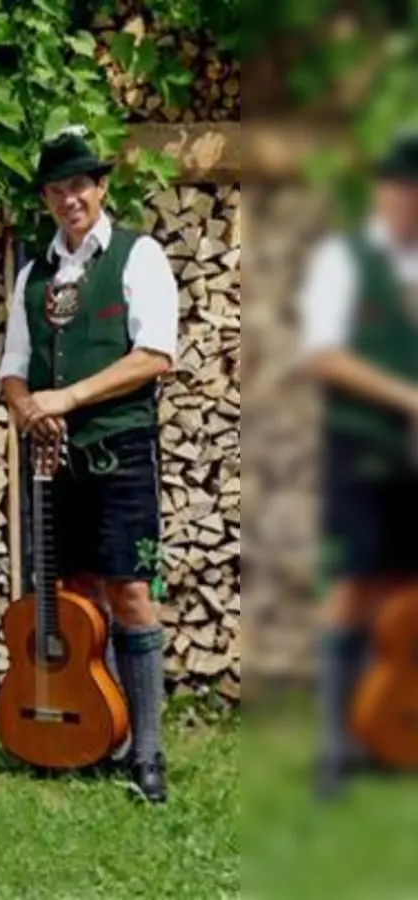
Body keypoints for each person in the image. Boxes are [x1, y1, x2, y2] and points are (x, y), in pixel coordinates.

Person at [0, 124, 181, 804]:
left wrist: (67, 398)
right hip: (52, 457)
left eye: (80, 185)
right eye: (57, 189)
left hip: (119, 447)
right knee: (73, 598)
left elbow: (155, 355)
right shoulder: (34, 275)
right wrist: (27, 408)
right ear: (45, 198)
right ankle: (99, 732)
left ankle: (148, 751)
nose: (70, 198)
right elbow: (12, 369)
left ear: (101, 188)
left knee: (130, 592)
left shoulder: (138, 255)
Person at [297, 129, 418, 800]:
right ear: (383, 191)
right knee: (352, 586)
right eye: (402, 189)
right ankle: (335, 745)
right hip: (360, 448)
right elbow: (325, 356)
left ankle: (390, 727)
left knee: (407, 591)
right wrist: (406, 398)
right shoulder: (344, 260)